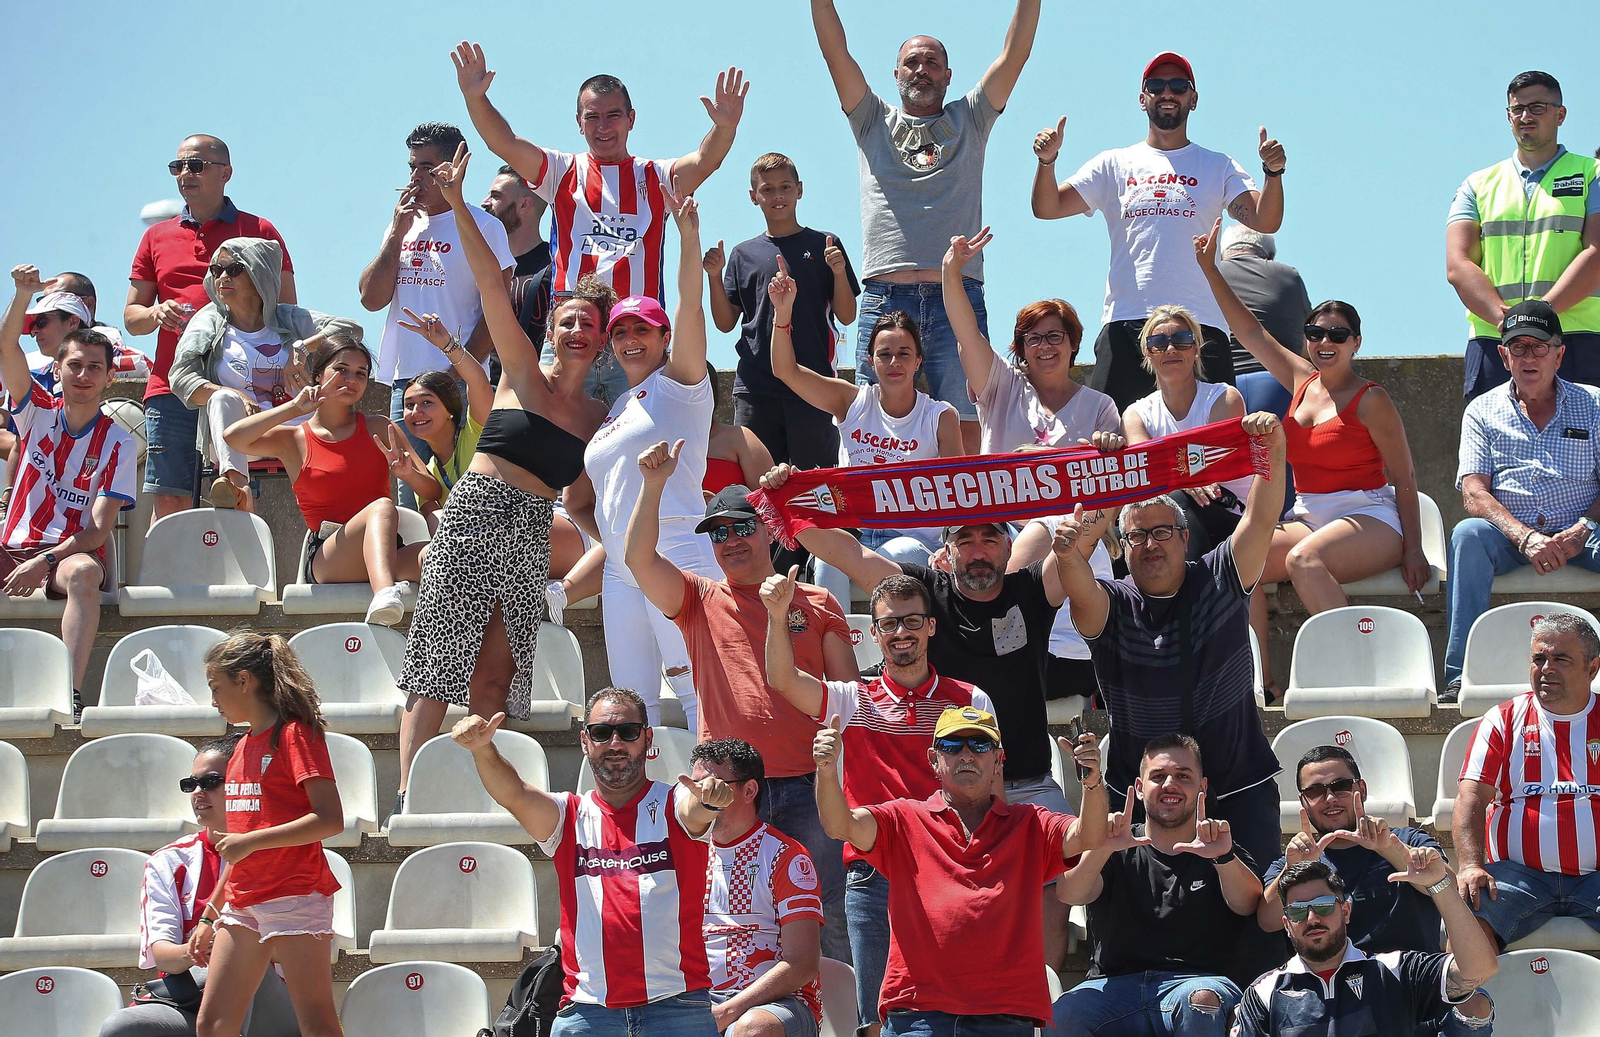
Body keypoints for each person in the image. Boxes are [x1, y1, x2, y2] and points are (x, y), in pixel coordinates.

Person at [393, 143, 614, 817]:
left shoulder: (600, 415)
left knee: (496, 675)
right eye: (567, 320)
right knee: (435, 666)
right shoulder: (520, 370)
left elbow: (586, 498)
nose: (576, 330)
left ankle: (487, 799)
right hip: (475, 512)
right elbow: (492, 282)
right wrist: (458, 203)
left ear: (602, 339)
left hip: (530, 532)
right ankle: (409, 797)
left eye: (588, 324)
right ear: (551, 328)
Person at [626, 442, 857, 960]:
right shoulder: (698, 599)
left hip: (809, 786)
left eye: (742, 527)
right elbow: (638, 559)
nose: (730, 541)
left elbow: (849, 700)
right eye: (718, 533)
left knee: (826, 920)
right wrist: (653, 485)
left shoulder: (819, 602)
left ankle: (836, 1008)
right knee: (734, 921)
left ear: (769, 529)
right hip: (726, 790)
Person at [1196, 219, 1428, 702]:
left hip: (1371, 515)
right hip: (1310, 515)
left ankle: (1361, 679)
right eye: (1316, 333)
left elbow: (1405, 477)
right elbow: (1248, 329)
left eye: (1338, 334)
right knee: (1237, 562)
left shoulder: (1372, 399)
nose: (1325, 342)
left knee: (1305, 560)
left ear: (1356, 342)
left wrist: (1414, 549)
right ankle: (1260, 684)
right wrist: (1208, 267)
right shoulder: (1301, 380)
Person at [1053, 411, 1287, 877]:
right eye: (1137, 535)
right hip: (1141, 796)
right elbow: (1075, 580)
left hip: (1236, 787)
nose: (1150, 544)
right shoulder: (1112, 604)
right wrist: (1088, 520)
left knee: (1255, 909)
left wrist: (1274, 448)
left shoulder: (1221, 576)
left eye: (1162, 532)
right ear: (1122, 547)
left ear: (1185, 538)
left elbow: (1262, 517)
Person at [763, 570, 998, 1034]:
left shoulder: (970, 699)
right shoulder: (852, 698)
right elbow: (784, 680)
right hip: (873, 874)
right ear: (874, 634)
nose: (901, 632)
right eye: (889, 623)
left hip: (951, 870)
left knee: (956, 1013)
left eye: (912, 621)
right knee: (876, 1019)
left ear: (931, 626)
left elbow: (993, 793)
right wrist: (776, 616)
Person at [453, 42, 747, 403]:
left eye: (613, 115)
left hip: (635, 337)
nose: (603, 126)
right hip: (572, 336)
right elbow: (506, 143)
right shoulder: (562, 171)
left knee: (640, 436)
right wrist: (476, 98)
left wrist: (725, 127)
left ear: (631, 119)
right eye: (592, 116)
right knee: (553, 436)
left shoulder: (655, 176)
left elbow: (704, 161)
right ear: (579, 123)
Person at [811, 0, 1041, 452]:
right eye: (912, 62)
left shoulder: (971, 117)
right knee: (871, 426)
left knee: (967, 421)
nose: (921, 70)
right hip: (885, 296)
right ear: (896, 73)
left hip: (957, 296)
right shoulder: (871, 118)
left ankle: (964, 505)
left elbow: (1015, 53)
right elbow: (835, 52)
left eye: (932, 63)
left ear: (948, 76)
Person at [452, 688, 734, 1037]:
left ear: (647, 739)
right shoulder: (568, 815)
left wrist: (710, 801)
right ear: (585, 742)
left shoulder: (673, 803)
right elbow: (515, 794)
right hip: (587, 1014)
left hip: (676, 1008)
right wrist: (482, 750)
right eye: (601, 733)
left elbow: (694, 810)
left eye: (628, 732)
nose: (615, 743)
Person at [815, 705, 1106, 1036]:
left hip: (1004, 1017)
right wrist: (827, 771)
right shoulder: (903, 818)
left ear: (998, 760)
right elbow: (841, 825)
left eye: (979, 745)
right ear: (934, 759)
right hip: (918, 1016)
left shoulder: (1030, 823)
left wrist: (1092, 782)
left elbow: (1089, 836)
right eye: (952, 746)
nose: (966, 755)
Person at [1032, 52, 1286, 410]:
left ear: (1193, 99)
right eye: (1156, 85)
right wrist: (1047, 162)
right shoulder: (1113, 163)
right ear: (1143, 98)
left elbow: (1264, 220)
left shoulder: (1218, 165)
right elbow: (1047, 207)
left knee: (1212, 439)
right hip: (1127, 322)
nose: (1167, 92)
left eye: (1179, 85)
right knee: (1114, 436)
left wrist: (1273, 173)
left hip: (1201, 324)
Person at [578, 181, 720, 732]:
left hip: (677, 549)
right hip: (620, 569)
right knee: (629, 710)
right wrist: (610, 539)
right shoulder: (617, 407)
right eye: (620, 332)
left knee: (699, 694)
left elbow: (691, 307)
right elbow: (594, 497)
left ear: (665, 339)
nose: (630, 339)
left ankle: (714, 789)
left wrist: (688, 240)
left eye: (643, 329)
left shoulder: (679, 386)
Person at [765, 264, 960, 607]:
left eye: (904, 354)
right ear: (870, 361)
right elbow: (785, 371)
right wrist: (783, 313)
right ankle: (838, 641)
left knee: (902, 553)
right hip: (853, 533)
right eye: (885, 354)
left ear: (918, 361)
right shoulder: (852, 401)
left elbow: (958, 494)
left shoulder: (940, 417)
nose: (894, 362)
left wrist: (952, 546)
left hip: (912, 541)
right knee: (827, 561)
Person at [127, 134, 294, 521]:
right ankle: (170, 564)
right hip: (172, 385)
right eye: (178, 166)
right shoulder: (155, 236)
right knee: (169, 500)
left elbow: (287, 309)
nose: (185, 173)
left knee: (237, 492)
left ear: (226, 173)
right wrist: (157, 313)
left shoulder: (259, 230)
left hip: (243, 380)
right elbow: (133, 318)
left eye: (196, 165)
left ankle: (246, 563)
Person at [186, 632, 345, 1037]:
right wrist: (209, 914)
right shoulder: (241, 747)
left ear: (244, 681)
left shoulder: (296, 735)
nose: (213, 700)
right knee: (213, 1024)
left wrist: (252, 841)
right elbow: (239, 851)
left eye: (215, 687)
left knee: (317, 1024)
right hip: (244, 903)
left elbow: (330, 819)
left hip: (295, 895)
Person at [1051, 735, 1262, 1036]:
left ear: (1202, 788)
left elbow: (1249, 905)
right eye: (1158, 776)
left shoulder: (1220, 846)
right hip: (1113, 986)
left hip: (1196, 983)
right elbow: (1069, 893)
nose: (1170, 785)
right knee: (1063, 1015)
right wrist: (1102, 847)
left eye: (1183, 776)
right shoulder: (1114, 847)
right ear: (1139, 788)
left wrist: (1223, 858)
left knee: (1201, 1002)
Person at [1444, 300, 1600, 696]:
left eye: (1539, 347)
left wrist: (1583, 529)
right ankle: (1461, 675)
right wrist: (1525, 537)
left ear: (1559, 355)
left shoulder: (1595, 404)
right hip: (1511, 537)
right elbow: (1474, 492)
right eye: (1518, 347)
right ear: (1503, 356)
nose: (1528, 357)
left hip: (1585, 531)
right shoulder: (1481, 410)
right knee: (1467, 536)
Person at [2, 267, 137, 718]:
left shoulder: (119, 442)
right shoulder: (36, 411)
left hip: (64, 556)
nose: (83, 375)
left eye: (94, 368)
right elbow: (6, 347)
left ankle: (70, 694)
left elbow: (97, 532)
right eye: (74, 365)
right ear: (57, 369)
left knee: (84, 574)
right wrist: (22, 295)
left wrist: (43, 562)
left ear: (109, 377)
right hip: (11, 545)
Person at [98, 736, 300, 1037]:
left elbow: (300, 952)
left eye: (211, 782)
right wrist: (201, 950)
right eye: (191, 784)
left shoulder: (285, 854)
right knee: (122, 1027)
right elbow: (164, 956)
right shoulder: (167, 861)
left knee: (241, 961)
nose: (197, 792)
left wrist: (231, 945)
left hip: (272, 1001)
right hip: (193, 997)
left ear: (245, 785)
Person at [357, 121, 514, 506]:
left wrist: (459, 371)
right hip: (406, 383)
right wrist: (397, 233)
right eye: (412, 167)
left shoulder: (485, 226)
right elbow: (370, 299)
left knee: (468, 492)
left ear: (452, 167)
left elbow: (498, 309)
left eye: (426, 167)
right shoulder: (402, 226)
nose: (415, 177)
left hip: (461, 381)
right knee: (411, 495)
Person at [222, 334, 426, 626]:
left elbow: (431, 488)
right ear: (318, 375)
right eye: (341, 369)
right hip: (329, 557)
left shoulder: (380, 427)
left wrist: (407, 474)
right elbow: (233, 437)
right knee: (382, 506)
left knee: (444, 557)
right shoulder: (294, 439)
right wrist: (294, 408)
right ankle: (384, 595)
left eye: (361, 373)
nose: (351, 379)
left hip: (388, 550)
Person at [169, 239, 361, 512]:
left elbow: (351, 330)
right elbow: (180, 377)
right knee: (222, 398)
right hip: (243, 437)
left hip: (300, 432)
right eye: (217, 270)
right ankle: (237, 490)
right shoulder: (208, 321)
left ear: (259, 273)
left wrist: (302, 348)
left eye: (234, 269)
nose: (223, 277)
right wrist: (233, 393)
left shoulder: (287, 318)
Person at [1448, 71, 1600, 399]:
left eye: (1537, 108)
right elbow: (1458, 264)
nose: (1526, 116)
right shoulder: (1476, 184)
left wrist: (1538, 316)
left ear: (1560, 114)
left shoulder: (1593, 174)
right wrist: (1507, 320)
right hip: (1495, 341)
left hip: (1577, 338)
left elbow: (1597, 252)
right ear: (1508, 117)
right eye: (1517, 109)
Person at [1455, 612, 1600, 950]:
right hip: (1517, 875)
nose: (1546, 668)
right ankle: (1467, 989)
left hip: (1596, 878)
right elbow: (1471, 798)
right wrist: (1471, 865)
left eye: (1560, 659)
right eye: (1538, 659)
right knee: (1467, 920)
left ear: (1592, 668)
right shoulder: (1503, 719)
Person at [707, 153, 859, 470]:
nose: (778, 195)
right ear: (754, 196)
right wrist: (713, 276)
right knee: (758, 485)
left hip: (814, 383)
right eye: (768, 189)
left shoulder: (825, 244)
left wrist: (839, 271)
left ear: (799, 190)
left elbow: (846, 316)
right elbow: (724, 323)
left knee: (817, 485)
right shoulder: (742, 254)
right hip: (755, 387)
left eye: (785, 187)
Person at [1231, 860, 1496, 1036]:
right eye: (1298, 911)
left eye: (1323, 906)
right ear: (1287, 925)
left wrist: (1440, 887)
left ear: (1346, 911)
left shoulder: (1395, 970)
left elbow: (1478, 970)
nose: (1312, 919)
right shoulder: (1264, 994)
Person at [941, 231, 1121, 454]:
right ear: (1022, 349)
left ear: (1073, 343)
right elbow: (967, 336)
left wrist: (1109, 445)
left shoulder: (1100, 407)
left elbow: (1111, 469)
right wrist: (950, 272)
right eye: (1034, 338)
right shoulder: (1002, 386)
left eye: (1054, 336)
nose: (1044, 346)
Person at [1260, 746, 1447, 958]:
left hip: (1411, 973)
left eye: (1341, 786)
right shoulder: (1290, 862)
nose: (1330, 798)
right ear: (1303, 802)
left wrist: (1389, 849)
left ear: (1362, 790)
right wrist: (1295, 868)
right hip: (1332, 977)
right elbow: (1268, 921)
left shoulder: (1407, 840)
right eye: (1315, 792)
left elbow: (1449, 885)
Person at [693, 738, 824, 1037]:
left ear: (749, 790)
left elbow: (802, 963)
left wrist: (726, 1012)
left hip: (777, 1003)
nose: (703, 797)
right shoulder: (686, 854)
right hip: (699, 1000)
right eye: (697, 788)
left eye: (713, 787)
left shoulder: (786, 855)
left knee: (752, 1029)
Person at [1123, 304, 1252, 559]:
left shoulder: (1224, 399)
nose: (1171, 349)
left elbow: (1212, 466)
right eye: (1159, 342)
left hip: (1232, 515)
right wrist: (1182, 478)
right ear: (1148, 352)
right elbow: (1146, 471)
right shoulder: (1135, 414)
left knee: (1176, 500)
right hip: (1169, 517)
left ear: (1196, 349)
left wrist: (1172, 475)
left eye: (1182, 340)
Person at [391, 308, 494, 527]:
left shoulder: (477, 431)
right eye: (409, 405)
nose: (416, 411)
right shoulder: (426, 474)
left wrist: (447, 345)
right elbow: (436, 528)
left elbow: (478, 382)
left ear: (449, 409)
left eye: (426, 402)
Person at [1216, 225, 1311, 419]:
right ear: (1270, 255)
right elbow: (1307, 343)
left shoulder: (1210, 275)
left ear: (1223, 252)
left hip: (1219, 389)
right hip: (1277, 384)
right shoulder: (1289, 275)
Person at [481, 164, 551, 384]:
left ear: (524, 204)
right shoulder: (482, 265)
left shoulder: (556, 269)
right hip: (480, 390)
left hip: (533, 391)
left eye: (496, 196)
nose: (484, 202)